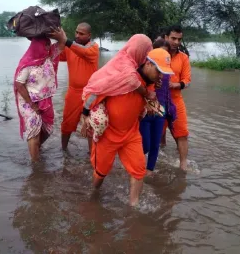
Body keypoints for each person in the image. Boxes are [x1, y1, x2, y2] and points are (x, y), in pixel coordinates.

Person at [81, 34, 165, 206]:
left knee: (139, 171)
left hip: (131, 134)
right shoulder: (119, 75)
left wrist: (151, 103)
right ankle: (93, 196)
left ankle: (134, 207)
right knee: (100, 173)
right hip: (108, 135)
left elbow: (149, 99)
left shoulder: (149, 81)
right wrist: (85, 116)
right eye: (158, 71)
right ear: (148, 63)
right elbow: (94, 93)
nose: (160, 76)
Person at [14, 30, 66, 162]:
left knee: (48, 130)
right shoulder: (28, 63)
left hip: (45, 99)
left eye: (48, 45)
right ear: (37, 47)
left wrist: (58, 32)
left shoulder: (48, 58)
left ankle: (36, 147)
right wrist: (32, 104)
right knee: (34, 132)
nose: (48, 47)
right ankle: (35, 165)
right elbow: (19, 85)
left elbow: (62, 42)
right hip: (28, 101)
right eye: (45, 45)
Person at [58, 23, 99, 152]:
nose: (77, 35)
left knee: (91, 125)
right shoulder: (70, 47)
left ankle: (92, 157)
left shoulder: (93, 47)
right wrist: (56, 38)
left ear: (89, 35)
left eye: (81, 34)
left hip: (90, 94)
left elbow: (84, 51)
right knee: (66, 124)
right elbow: (57, 54)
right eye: (76, 32)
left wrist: (66, 41)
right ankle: (63, 151)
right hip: (73, 92)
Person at [140, 40, 177, 176]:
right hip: (145, 112)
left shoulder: (166, 72)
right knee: (146, 144)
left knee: (155, 144)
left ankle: (149, 171)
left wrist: (170, 110)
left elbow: (168, 93)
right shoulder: (144, 71)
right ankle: (138, 167)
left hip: (160, 111)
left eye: (166, 53)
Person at [163, 24, 191, 171]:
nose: (176, 42)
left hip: (175, 99)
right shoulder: (157, 53)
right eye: (173, 38)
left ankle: (183, 165)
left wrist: (176, 85)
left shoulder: (184, 58)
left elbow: (187, 80)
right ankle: (157, 159)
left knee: (182, 133)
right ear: (166, 37)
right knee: (157, 135)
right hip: (158, 100)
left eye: (179, 39)